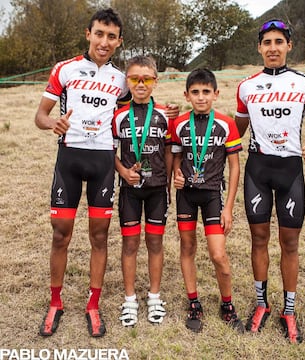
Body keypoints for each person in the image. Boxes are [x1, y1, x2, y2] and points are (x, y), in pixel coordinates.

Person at [34, 8, 179, 337]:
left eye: (111, 36)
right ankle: (55, 302)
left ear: (118, 41)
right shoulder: (65, 70)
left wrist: (169, 110)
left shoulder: (120, 79)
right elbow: (40, 116)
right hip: (69, 159)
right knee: (61, 234)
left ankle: (93, 304)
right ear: (88, 34)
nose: (104, 41)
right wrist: (51, 123)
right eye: (99, 33)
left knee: (99, 236)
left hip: (102, 163)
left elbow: (143, 98)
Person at [235, 19, 305, 344]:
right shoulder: (246, 86)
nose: (273, 48)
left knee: (290, 243)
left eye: (279, 42)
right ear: (259, 48)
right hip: (258, 170)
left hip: (291, 173)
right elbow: (237, 131)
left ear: (289, 46)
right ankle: (262, 305)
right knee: (258, 240)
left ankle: (289, 309)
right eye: (267, 42)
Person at [172, 68, 244, 333]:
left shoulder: (226, 123)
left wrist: (229, 208)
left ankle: (227, 305)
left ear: (215, 94)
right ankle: (194, 303)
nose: (200, 97)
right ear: (187, 95)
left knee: (218, 254)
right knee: (187, 247)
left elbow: (235, 168)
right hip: (186, 197)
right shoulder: (179, 123)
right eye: (195, 92)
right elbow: (177, 159)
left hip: (213, 195)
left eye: (205, 92)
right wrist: (176, 175)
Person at [112, 55, 172, 327]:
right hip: (129, 190)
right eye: (135, 78)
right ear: (128, 81)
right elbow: (109, 151)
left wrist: (169, 180)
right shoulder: (119, 117)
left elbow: (171, 151)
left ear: (155, 82)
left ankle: (154, 297)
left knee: (155, 242)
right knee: (130, 244)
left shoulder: (165, 116)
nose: (140, 83)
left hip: (157, 189)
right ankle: (129, 300)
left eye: (146, 79)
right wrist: (123, 171)